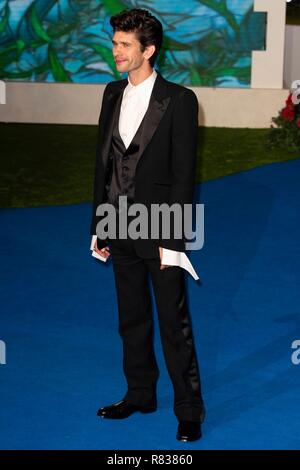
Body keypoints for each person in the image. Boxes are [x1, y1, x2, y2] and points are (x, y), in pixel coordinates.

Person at [90, 8, 205, 442]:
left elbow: (183, 176)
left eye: (124, 45)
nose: (115, 50)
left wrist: (172, 239)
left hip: (159, 226)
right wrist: (98, 223)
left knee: (174, 323)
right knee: (131, 317)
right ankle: (140, 393)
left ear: (148, 50)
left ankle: (189, 409)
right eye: (115, 42)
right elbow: (103, 165)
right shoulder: (109, 94)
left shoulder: (179, 100)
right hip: (117, 221)